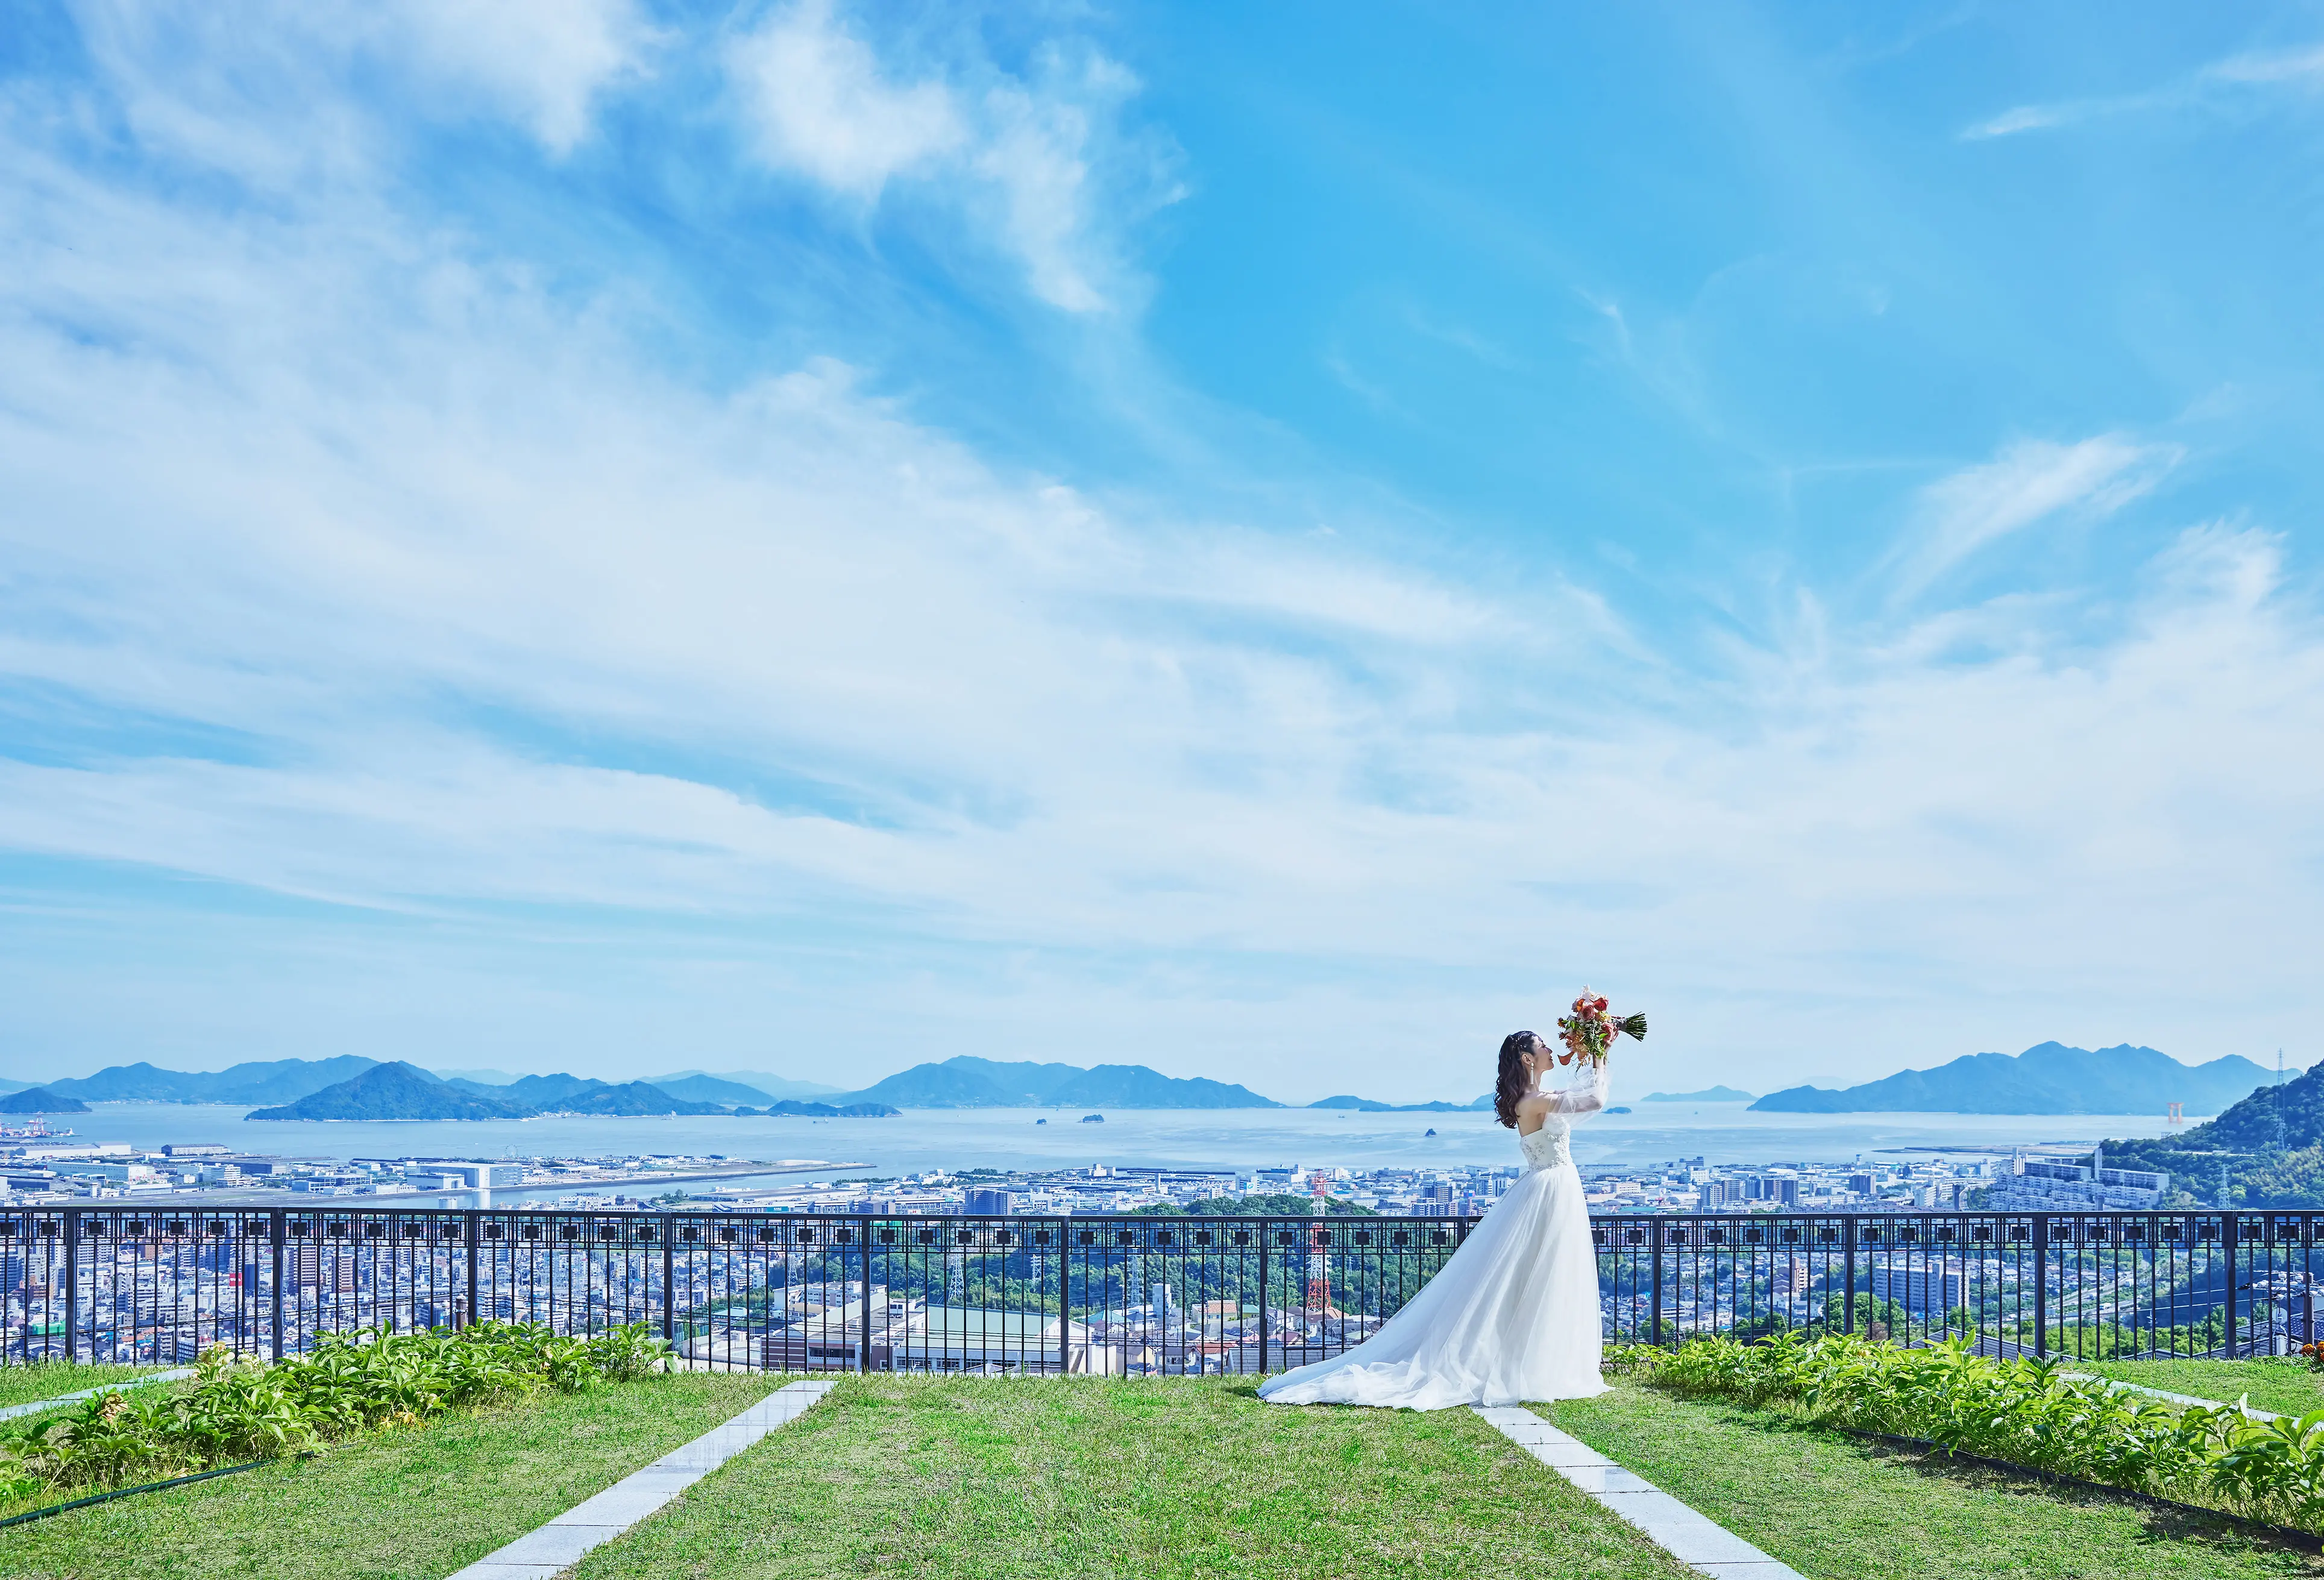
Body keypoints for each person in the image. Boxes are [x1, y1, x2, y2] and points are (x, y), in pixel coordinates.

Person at [1255, 1030, 1610, 1410]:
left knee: (1542, 1276)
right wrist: (1601, 1050)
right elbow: (1596, 1099)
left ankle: (1534, 1361)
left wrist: (1594, 1046)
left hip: (1552, 1187)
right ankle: (1531, 1364)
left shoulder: (1537, 1097)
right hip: (1550, 1189)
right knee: (1542, 1275)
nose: (1551, 1050)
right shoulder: (1532, 1100)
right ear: (1526, 1057)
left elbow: (1582, 1101)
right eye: (1543, 1046)